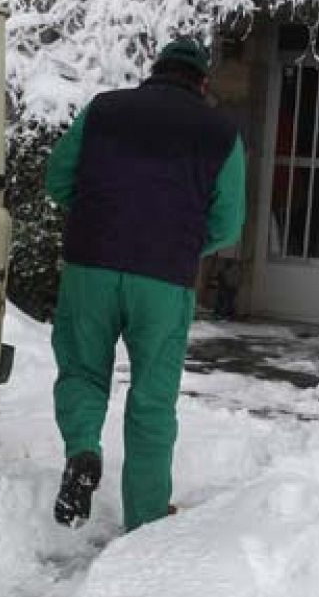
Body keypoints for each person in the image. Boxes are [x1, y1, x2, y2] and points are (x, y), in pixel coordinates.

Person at [43, 37, 246, 530]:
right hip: (162, 281)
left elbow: (56, 179)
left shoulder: (105, 110)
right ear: (201, 81)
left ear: (154, 71)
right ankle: (146, 515)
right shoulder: (221, 133)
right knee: (153, 398)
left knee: (83, 371)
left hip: (91, 266)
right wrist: (178, 245)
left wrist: (97, 217)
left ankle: (84, 451)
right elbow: (228, 223)